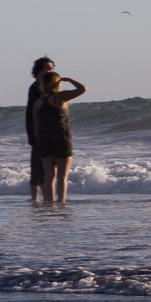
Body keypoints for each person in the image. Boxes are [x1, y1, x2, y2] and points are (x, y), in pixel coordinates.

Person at [34, 71, 86, 204]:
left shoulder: (38, 102)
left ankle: (49, 205)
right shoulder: (60, 97)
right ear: (58, 83)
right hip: (62, 140)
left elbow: (36, 126)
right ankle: (61, 203)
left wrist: (38, 142)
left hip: (44, 142)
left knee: (49, 177)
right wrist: (69, 79)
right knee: (62, 177)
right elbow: (82, 89)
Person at [26, 56, 54, 202]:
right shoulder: (37, 88)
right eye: (47, 69)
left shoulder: (41, 87)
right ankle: (42, 199)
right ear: (39, 71)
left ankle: (37, 199)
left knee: (38, 165)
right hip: (38, 131)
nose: (50, 71)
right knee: (40, 166)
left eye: (52, 69)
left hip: (42, 131)